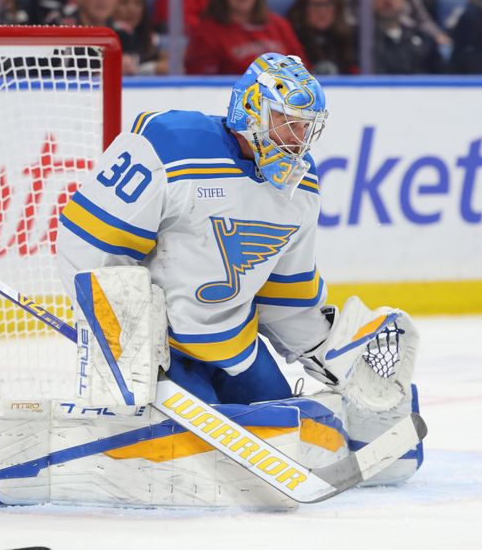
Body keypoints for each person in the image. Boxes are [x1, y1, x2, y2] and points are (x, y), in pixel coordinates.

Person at [56, 53, 331, 405]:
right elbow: (89, 244)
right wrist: (127, 342)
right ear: (251, 109)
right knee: (198, 452)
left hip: (236, 348)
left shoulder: (300, 187)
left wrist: (330, 356)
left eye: (306, 126)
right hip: (162, 348)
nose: (298, 139)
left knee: (291, 427)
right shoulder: (171, 146)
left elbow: (286, 296)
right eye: (288, 122)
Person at [184, 0, 307, 75]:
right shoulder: (207, 32)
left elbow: (301, 68)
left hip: (284, 101)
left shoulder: (279, 25)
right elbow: (203, 83)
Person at [286, 0, 359, 74]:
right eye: (316, 5)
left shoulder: (349, 38)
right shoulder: (290, 35)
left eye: (327, 4)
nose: (322, 11)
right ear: (303, 8)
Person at [373, 0, 443, 74]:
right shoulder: (360, 41)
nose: (388, 1)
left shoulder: (424, 39)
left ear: (404, 0)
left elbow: (442, 75)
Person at [113, 0, 169, 75]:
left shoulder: (151, 39)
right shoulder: (106, 39)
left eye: (138, 3)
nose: (131, 9)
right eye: (124, 2)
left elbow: (173, 66)